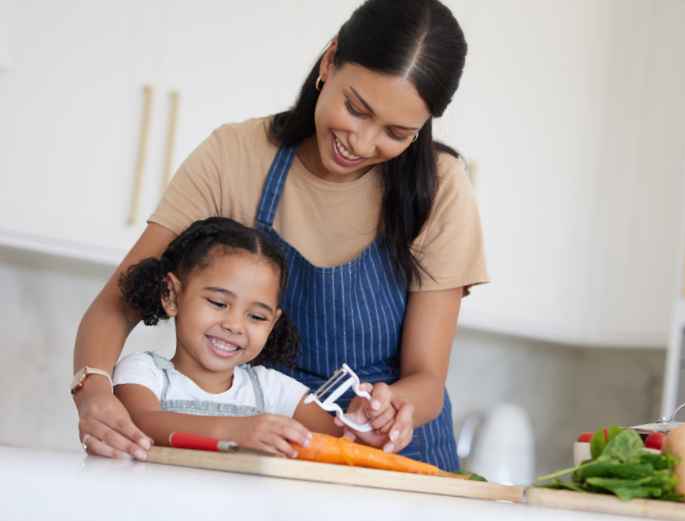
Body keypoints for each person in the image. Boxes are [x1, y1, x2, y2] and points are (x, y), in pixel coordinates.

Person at [73, 0, 487, 471]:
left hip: (395, 467)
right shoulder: (235, 156)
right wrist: (93, 391)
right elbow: (118, 301)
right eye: (356, 108)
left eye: (397, 132)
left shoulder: (440, 187)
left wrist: (391, 406)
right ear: (330, 61)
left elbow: (426, 378)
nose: (363, 143)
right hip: (268, 456)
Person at [112, 217, 384, 456]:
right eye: (218, 303)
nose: (235, 325)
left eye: (256, 317)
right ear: (171, 295)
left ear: (273, 322)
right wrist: (234, 430)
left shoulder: (272, 390)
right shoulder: (144, 372)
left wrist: (364, 431)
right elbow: (141, 421)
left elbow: (340, 445)